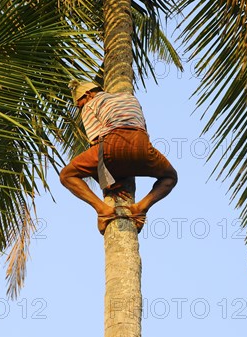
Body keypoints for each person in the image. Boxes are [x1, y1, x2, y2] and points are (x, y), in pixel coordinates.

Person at [59, 80, 178, 235]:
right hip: (142, 145)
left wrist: (105, 181)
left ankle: (102, 210)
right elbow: (143, 126)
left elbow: (96, 142)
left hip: (113, 145)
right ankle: (141, 208)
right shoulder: (131, 99)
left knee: (66, 175)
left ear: (88, 95)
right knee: (170, 177)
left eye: (78, 103)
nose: (79, 107)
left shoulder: (90, 105)